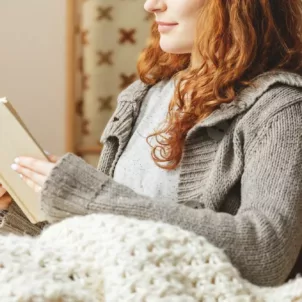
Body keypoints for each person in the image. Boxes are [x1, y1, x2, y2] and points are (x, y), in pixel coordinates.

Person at [1, 0, 302, 287]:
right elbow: (100, 244)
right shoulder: (141, 97)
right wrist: (18, 208)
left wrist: (92, 196)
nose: (151, 5)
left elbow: (266, 253)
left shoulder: (280, 109)